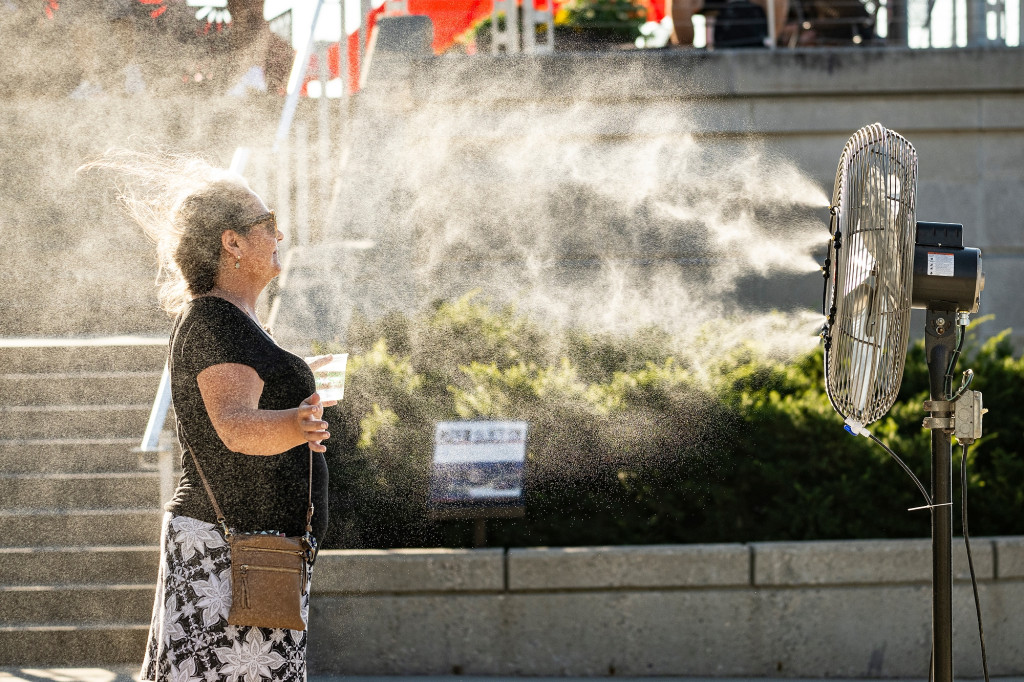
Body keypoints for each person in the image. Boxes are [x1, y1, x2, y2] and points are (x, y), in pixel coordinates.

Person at [85, 152, 333, 681]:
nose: (279, 235)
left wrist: (297, 400)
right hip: (225, 554)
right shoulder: (215, 320)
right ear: (232, 241)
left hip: (248, 552)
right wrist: (296, 425)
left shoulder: (236, 319)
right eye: (267, 224)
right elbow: (235, 427)